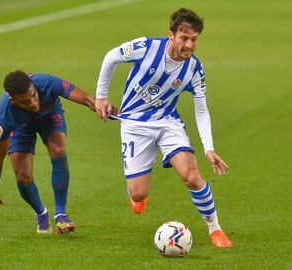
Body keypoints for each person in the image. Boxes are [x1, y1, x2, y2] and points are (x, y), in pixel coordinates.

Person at [95, 8, 233, 247]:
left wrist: (209, 148)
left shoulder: (194, 70)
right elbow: (111, 57)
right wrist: (101, 96)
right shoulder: (146, 47)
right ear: (171, 35)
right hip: (134, 125)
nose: (189, 44)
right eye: (184, 38)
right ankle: (137, 196)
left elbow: (201, 110)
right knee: (138, 193)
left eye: (194, 39)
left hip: (168, 123)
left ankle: (215, 229)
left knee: (191, 177)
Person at [0, 70, 98, 235]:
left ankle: (61, 215)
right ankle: (41, 213)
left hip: (49, 115)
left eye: (34, 95)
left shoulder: (47, 82)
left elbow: (86, 97)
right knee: (23, 177)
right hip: (21, 128)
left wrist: (104, 107)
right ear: (13, 100)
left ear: (33, 86)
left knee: (58, 149)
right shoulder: (5, 116)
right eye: (25, 101)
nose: (33, 103)